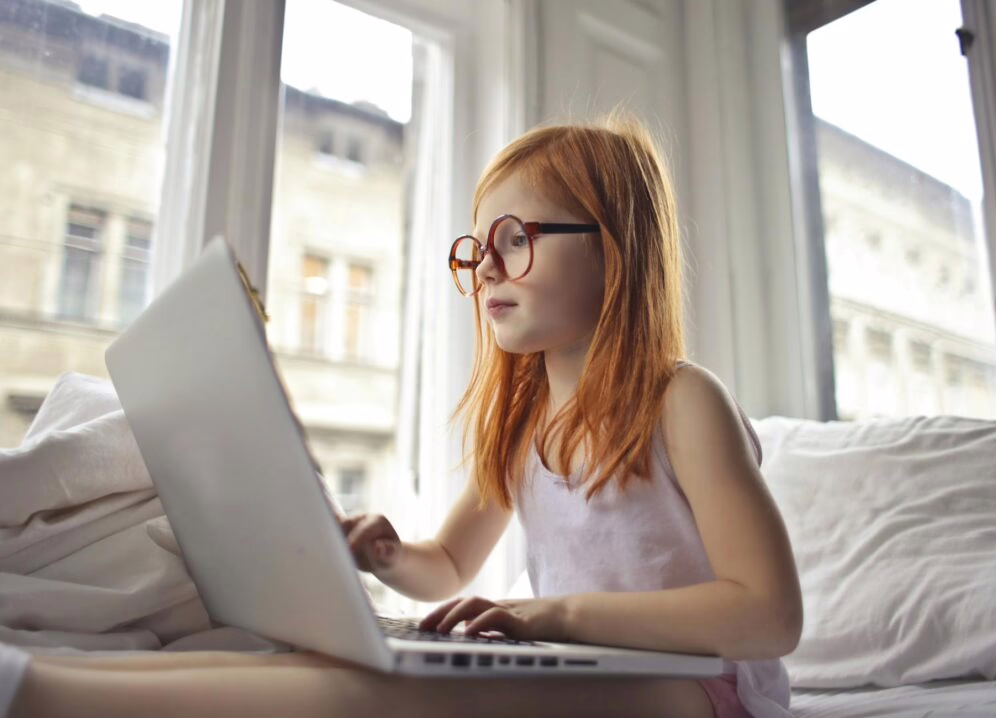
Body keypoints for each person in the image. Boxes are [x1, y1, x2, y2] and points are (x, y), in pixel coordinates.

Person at [3, 115, 802, 718]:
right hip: (586, 659)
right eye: (478, 246)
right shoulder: (526, 426)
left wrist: (544, 615)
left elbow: (767, 615)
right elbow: (448, 565)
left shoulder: (682, 401)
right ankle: (31, 675)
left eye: (517, 237)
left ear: (614, 247)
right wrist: (385, 554)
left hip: (709, 686)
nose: (486, 263)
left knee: (387, 696)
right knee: (342, 663)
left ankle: (39, 697)